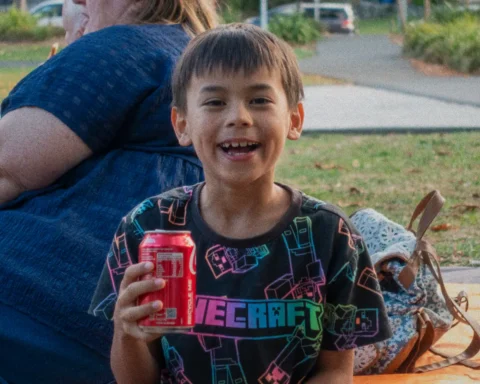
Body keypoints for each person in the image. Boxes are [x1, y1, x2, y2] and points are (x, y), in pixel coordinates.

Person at [89, 23, 393, 383]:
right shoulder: (147, 227)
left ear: (294, 120)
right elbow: (135, 379)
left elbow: (335, 371)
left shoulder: (330, 234)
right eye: (215, 102)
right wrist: (127, 332)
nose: (239, 117)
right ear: (182, 124)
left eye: (259, 100)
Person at [0, 1, 217, 383]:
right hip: (149, 345)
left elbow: (6, 168)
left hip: (40, 308)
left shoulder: (122, 47)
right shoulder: (201, 60)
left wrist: (68, 63)